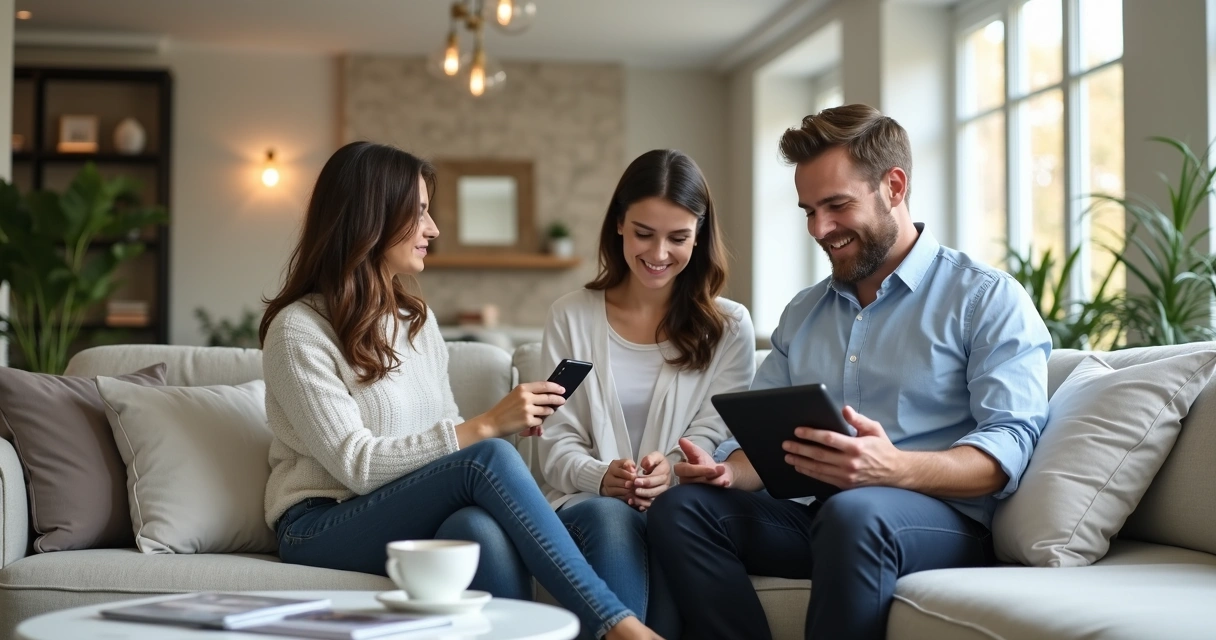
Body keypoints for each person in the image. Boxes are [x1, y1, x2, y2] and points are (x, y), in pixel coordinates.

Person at [647, 104, 1052, 640]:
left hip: (939, 523)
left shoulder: (985, 298)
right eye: (808, 210)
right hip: (825, 516)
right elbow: (763, 447)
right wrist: (730, 472)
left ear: (894, 186)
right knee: (680, 509)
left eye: (837, 205)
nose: (821, 228)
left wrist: (893, 467)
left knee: (855, 513)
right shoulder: (804, 312)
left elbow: (1009, 445)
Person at [259, 141, 657, 640]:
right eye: (419, 213)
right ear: (370, 218)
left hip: (403, 507)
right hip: (320, 523)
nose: (434, 230)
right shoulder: (299, 331)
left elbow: (443, 449)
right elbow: (357, 467)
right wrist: (487, 426)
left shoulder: (415, 324)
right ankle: (621, 626)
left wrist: (507, 426)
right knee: (485, 455)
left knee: (479, 531)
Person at [538, 150, 755, 637]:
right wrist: (600, 477)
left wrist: (672, 472)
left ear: (699, 235)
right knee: (616, 519)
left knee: (670, 525)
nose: (658, 254)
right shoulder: (571, 317)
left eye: (678, 238)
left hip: (679, 509)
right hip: (585, 504)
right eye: (643, 233)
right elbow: (554, 440)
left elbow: (715, 433)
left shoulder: (729, 326)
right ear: (618, 224)